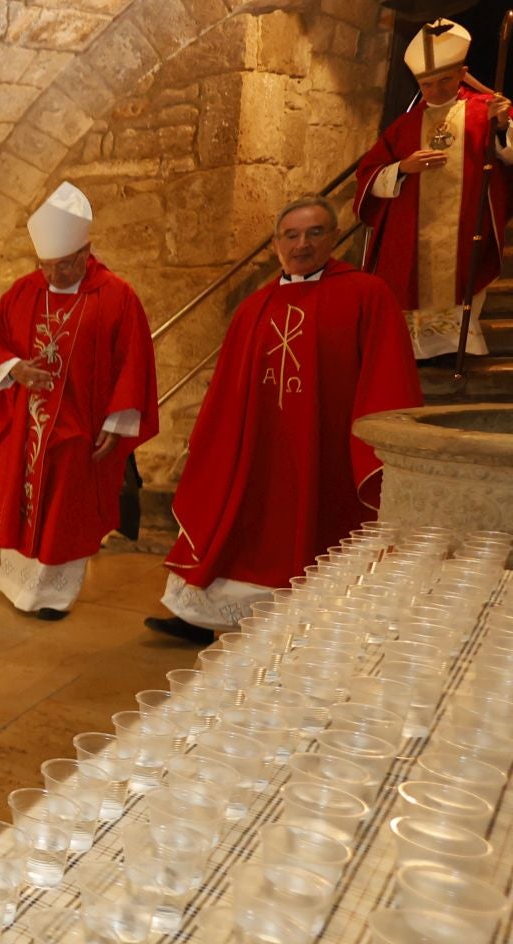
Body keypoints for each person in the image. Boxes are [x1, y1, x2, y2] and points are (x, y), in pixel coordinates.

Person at [147, 197, 423, 643]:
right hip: (258, 448)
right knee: (234, 523)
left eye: (315, 233)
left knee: (321, 540)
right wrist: (214, 443)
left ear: (334, 237)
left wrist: (377, 442)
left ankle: (312, 623)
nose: (302, 244)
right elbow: (226, 389)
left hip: (328, 446)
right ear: (276, 244)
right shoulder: (255, 307)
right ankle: (207, 614)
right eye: (290, 235)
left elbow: (387, 374)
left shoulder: (367, 294)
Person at [0, 183, 158, 620]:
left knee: (64, 511)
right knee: (18, 499)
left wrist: (116, 424)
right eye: (47, 266)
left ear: (85, 252)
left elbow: (134, 363)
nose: (54, 275)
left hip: (79, 427)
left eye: (64, 265)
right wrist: (15, 368)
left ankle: (54, 595)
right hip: (25, 425)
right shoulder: (23, 292)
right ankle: (18, 585)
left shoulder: (117, 296)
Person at [355, 17, 513, 360]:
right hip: (413, 226)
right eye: (427, 85)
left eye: (444, 81)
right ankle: (417, 354)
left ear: (462, 73)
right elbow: (368, 173)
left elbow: (508, 156)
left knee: (460, 283)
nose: (437, 91)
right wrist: (401, 168)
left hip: (465, 223)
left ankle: (461, 349)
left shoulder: (485, 111)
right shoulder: (405, 126)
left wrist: (502, 126)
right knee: (411, 287)